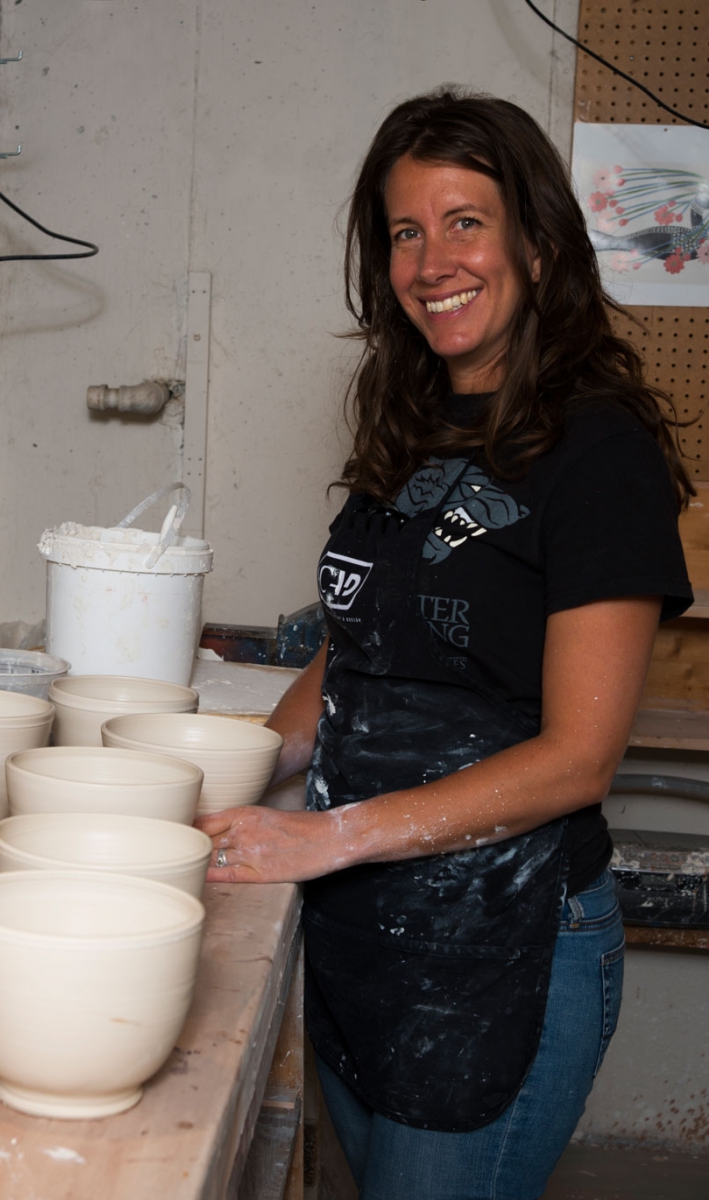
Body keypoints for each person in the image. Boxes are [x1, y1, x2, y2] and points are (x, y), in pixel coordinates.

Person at [195, 87, 694, 1200]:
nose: (431, 262)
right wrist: (215, 774)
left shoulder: (597, 454)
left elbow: (580, 757)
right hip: (371, 921)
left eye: (464, 221)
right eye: (405, 232)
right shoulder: (411, 427)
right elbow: (354, 660)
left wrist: (324, 840)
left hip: (506, 942)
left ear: (534, 238)